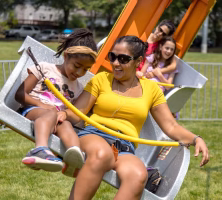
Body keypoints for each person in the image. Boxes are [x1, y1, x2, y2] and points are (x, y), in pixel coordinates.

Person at [58, 35, 209, 200]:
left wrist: (196, 139)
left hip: (124, 146)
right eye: (113, 57)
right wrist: (63, 114)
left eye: (123, 59)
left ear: (139, 61)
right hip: (95, 134)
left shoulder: (151, 89)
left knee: (138, 175)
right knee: (102, 154)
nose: (116, 63)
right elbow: (77, 111)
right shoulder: (101, 79)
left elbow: (170, 126)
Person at [15, 28, 98, 172]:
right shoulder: (44, 68)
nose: (79, 73)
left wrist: (62, 115)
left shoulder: (78, 87)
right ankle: (39, 149)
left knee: (66, 125)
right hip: (33, 110)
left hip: (55, 119)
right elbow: (20, 94)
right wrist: (43, 106)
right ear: (66, 56)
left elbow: (72, 114)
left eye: (85, 69)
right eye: (77, 66)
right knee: (51, 114)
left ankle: (75, 156)